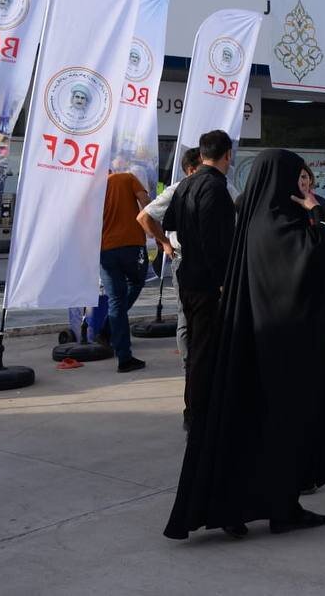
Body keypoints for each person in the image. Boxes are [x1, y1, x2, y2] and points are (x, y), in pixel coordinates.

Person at [164, 149, 325, 540]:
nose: (303, 186)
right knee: (279, 430)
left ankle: (249, 509)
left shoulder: (255, 221)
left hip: (251, 347)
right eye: (297, 177)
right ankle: (280, 509)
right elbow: (316, 260)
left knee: (246, 432)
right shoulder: (282, 225)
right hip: (280, 353)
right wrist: (316, 213)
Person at [162, 131, 236, 430]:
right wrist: (221, 280)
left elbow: (168, 223)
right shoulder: (215, 187)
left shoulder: (184, 185)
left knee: (196, 348)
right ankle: (199, 414)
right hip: (208, 283)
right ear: (227, 155)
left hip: (187, 275)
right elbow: (211, 238)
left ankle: (195, 409)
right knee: (206, 351)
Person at [137, 147, 202, 379]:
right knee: (185, 314)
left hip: (216, 260)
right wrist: (164, 242)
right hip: (184, 258)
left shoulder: (221, 185)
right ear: (192, 169)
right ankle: (188, 369)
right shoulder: (177, 190)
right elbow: (144, 217)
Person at [99, 167, 151, 373]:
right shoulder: (127, 178)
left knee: (116, 302)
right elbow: (146, 202)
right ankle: (108, 329)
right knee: (136, 283)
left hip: (105, 250)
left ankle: (123, 356)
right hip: (132, 246)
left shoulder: (92, 189)